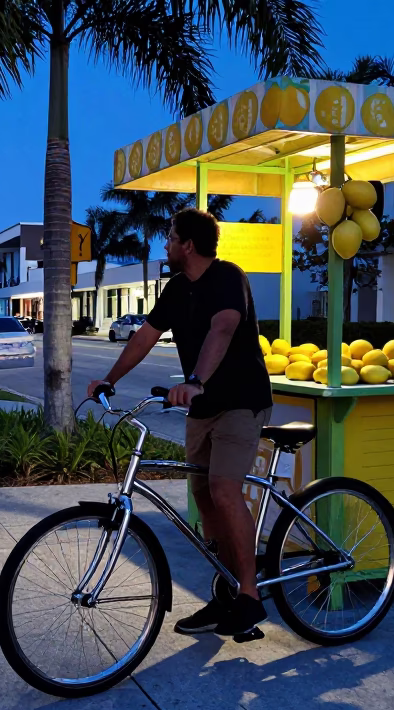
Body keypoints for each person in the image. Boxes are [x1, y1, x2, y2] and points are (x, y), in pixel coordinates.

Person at [88, 207, 272, 637]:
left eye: (170, 237)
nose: (165, 245)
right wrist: (109, 380)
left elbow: (223, 329)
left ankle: (249, 595)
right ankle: (226, 593)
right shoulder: (175, 289)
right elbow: (145, 336)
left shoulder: (229, 277)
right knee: (205, 501)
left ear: (187, 244)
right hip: (203, 409)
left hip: (241, 402)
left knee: (224, 490)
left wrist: (195, 381)